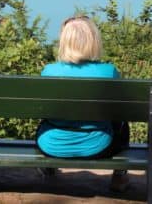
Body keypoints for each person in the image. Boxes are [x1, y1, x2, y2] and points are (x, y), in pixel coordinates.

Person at [36, 15, 130, 192]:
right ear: (93, 41)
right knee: (123, 123)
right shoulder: (109, 72)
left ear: (64, 41)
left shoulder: (49, 71)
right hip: (97, 145)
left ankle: (49, 168)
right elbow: (119, 110)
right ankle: (119, 176)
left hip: (51, 145)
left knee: (47, 120)